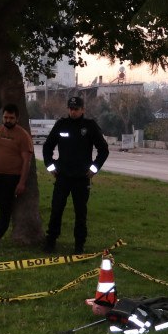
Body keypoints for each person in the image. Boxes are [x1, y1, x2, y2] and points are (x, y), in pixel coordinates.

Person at [42, 95, 109, 254]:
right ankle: (51, 241)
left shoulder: (90, 126)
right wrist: (50, 167)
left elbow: (103, 150)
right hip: (62, 176)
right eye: (71, 109)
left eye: (76, 109)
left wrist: (93, 169)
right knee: (56, 209)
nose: (73, 112)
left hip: (81, 178)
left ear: (83, 109)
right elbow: (47, 147)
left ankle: (79, 245)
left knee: (80, 212)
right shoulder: (61, 125)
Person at [0, 104, 34, 249]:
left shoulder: (23, 136)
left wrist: (21, 183)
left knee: (5, 208)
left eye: (11, 118)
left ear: (17, 118)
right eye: (6, 117)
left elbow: (26, 161)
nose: (8, 120)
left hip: (11, 178)